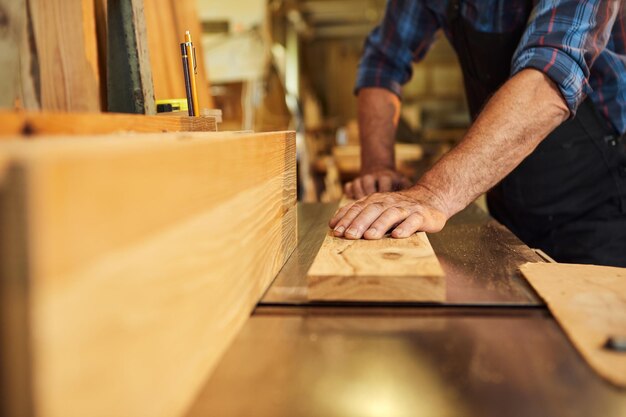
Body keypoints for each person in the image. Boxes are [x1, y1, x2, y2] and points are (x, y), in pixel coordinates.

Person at [329, 0, 626, 267]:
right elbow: (383, 62)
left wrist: (433, 195)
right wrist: (378, 167)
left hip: (599, 205)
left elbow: (550, 77)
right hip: (509, 206)